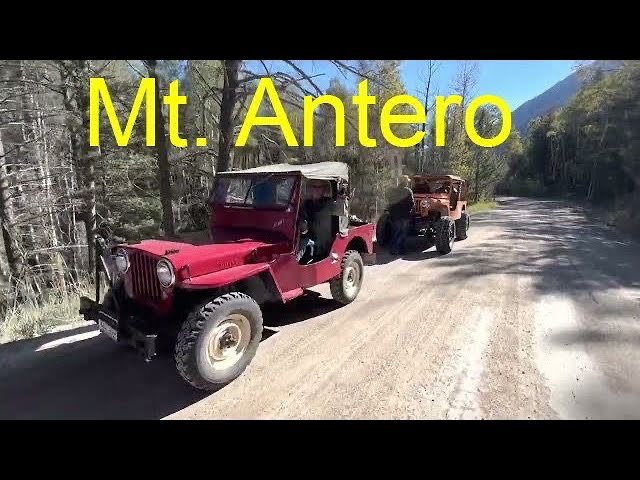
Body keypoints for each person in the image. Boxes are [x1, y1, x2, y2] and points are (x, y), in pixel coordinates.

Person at [297, 180, 331, 263]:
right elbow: (302, 218)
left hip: (322, 240)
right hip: (307, 236)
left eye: (319, 187)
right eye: (314, 187)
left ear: (324, 190)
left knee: (304, 244)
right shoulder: (307, 204)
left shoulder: (328, 203)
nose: (317, 190)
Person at [387, 175, 414, 255]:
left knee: (396, 231)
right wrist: (409, 210)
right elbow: (411, 203)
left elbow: (390, 201)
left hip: (395, 214)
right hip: (404, 215)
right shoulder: (408, 191)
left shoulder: (393, 190)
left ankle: (393, 249)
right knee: (402, 232)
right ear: (405, 182)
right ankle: (400, 249)